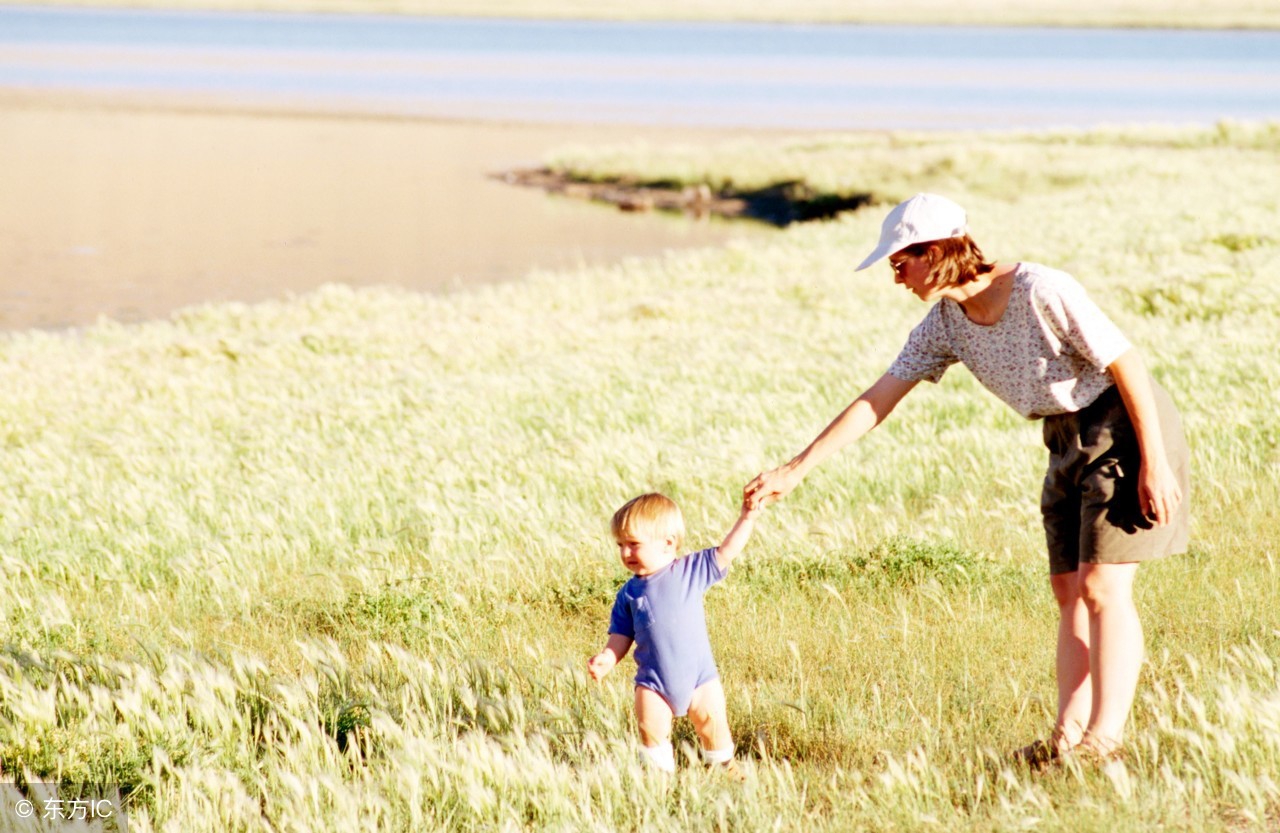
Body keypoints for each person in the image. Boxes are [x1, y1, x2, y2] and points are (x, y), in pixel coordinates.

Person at [743, 193, 1189, 767]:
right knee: (1067, 592)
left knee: (1103, 589)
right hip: (1060, 433)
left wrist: (1152, 461)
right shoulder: (944, 325)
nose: (896, 278)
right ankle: (1068, 735)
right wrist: (795, 469)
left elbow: (1126, 363)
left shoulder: (1041, 289)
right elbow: (879, 398)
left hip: (1123, 424)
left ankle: (1106, 741)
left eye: (900, 263)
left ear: (934, 252)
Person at [588, 492, 760, 775]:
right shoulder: (628, 593)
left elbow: (728, 550)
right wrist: (608, 657)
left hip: (700, 679)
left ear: (668, 543)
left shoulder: (691, 571)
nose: (625, 553)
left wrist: (747, 517)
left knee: (713, 727)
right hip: (653, 682)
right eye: (620, 545)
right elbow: (621, 633)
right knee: (651, 732)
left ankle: (725, 769)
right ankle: (659, 780)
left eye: (633, 544)